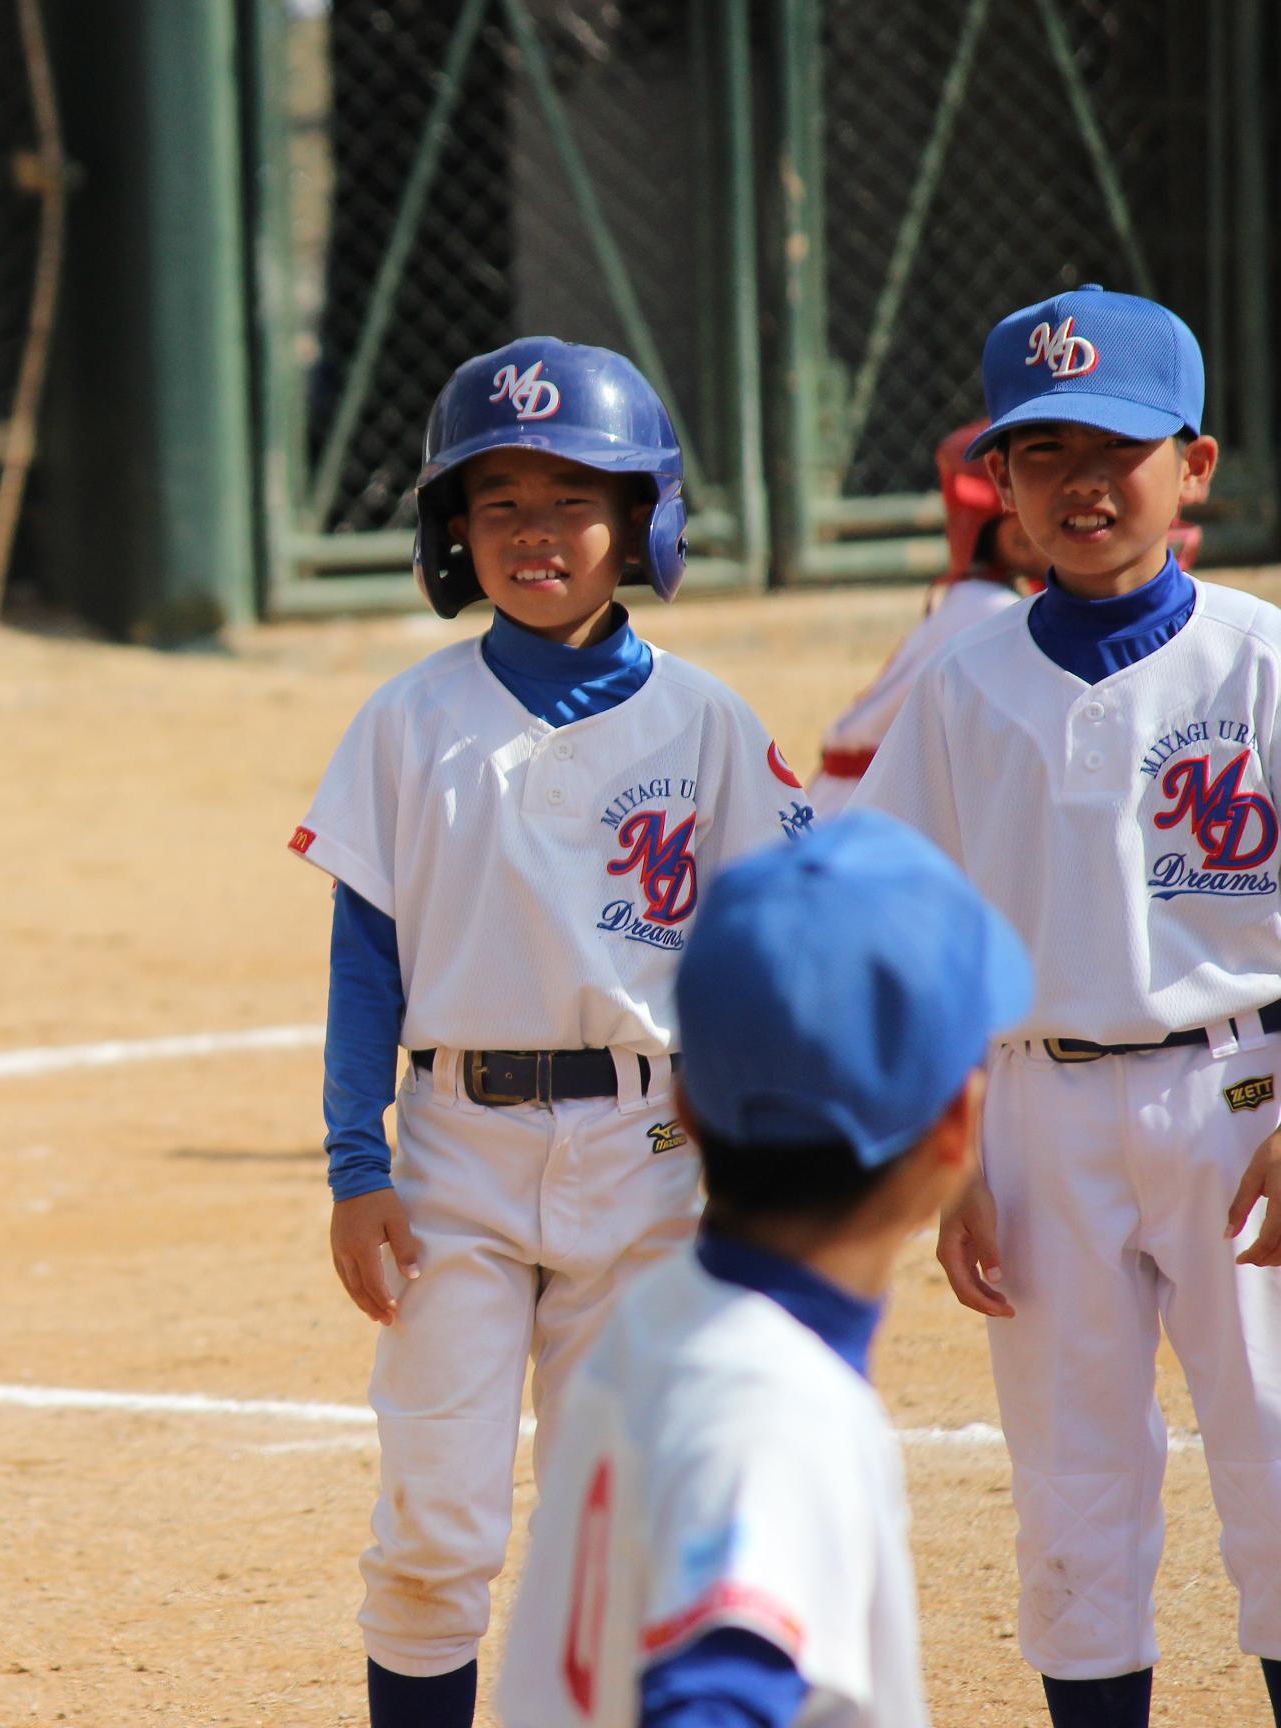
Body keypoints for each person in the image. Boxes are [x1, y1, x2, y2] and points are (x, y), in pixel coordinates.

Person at [291, 336, 815, 1727]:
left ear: (642, 517)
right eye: (500, 499)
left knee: (616, 1533)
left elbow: (769, 955)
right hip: (454, 1152)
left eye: (575, 497)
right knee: (432, 1534)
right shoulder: (409, 719)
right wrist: (356, 1162)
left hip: (649, 1150)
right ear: (453, 530)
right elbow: (365, 962)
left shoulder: (707, 722)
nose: (536, 531)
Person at [853, 284, 1281, 1727]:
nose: (1082, 485)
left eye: (1118, 449)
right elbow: (912, 938)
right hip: (1034, 1109)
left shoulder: (1261, 658)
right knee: (1073, 1491)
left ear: (1196, 465)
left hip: (1246, 1096)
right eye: (1043, 456)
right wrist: (955, 1148)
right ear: (1003, 488)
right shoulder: (963, 683)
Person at [499, 810, 1026, 1726]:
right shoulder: (768, 1408)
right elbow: (710, 1700)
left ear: (687, 1108)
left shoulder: (668, 1315)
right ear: (957, 1129)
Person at [804, 420, 1206, 819]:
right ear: (1009, 528)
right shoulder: (988, 613)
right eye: (1046, 451)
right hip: (869, 814)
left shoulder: (979, 600)